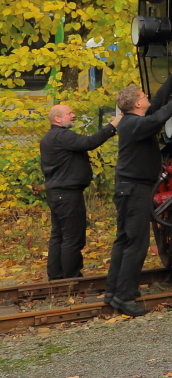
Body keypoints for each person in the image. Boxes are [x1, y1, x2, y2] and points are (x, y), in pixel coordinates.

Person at [105, 53, 172, 317]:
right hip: (135, 190)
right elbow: (157, 118)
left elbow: (157, 104)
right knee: (136, 243)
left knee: (123, 240)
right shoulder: (135, 124)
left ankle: (112, 291)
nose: (147, 97)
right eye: (143, 95)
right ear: (137, 103)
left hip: (128, 188)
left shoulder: (131, 120)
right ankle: (124, 296)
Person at [38, 105, 122, 280]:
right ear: (57, 119)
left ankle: (56, 276)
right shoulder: (63, 136)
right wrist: (112, 125)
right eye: (69, 113)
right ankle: (72, 278)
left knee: (58, 235)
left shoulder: (49, 137)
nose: (73, 115)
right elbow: (90, 142)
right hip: (68, 194)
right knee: (72, 238)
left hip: (56, 193)